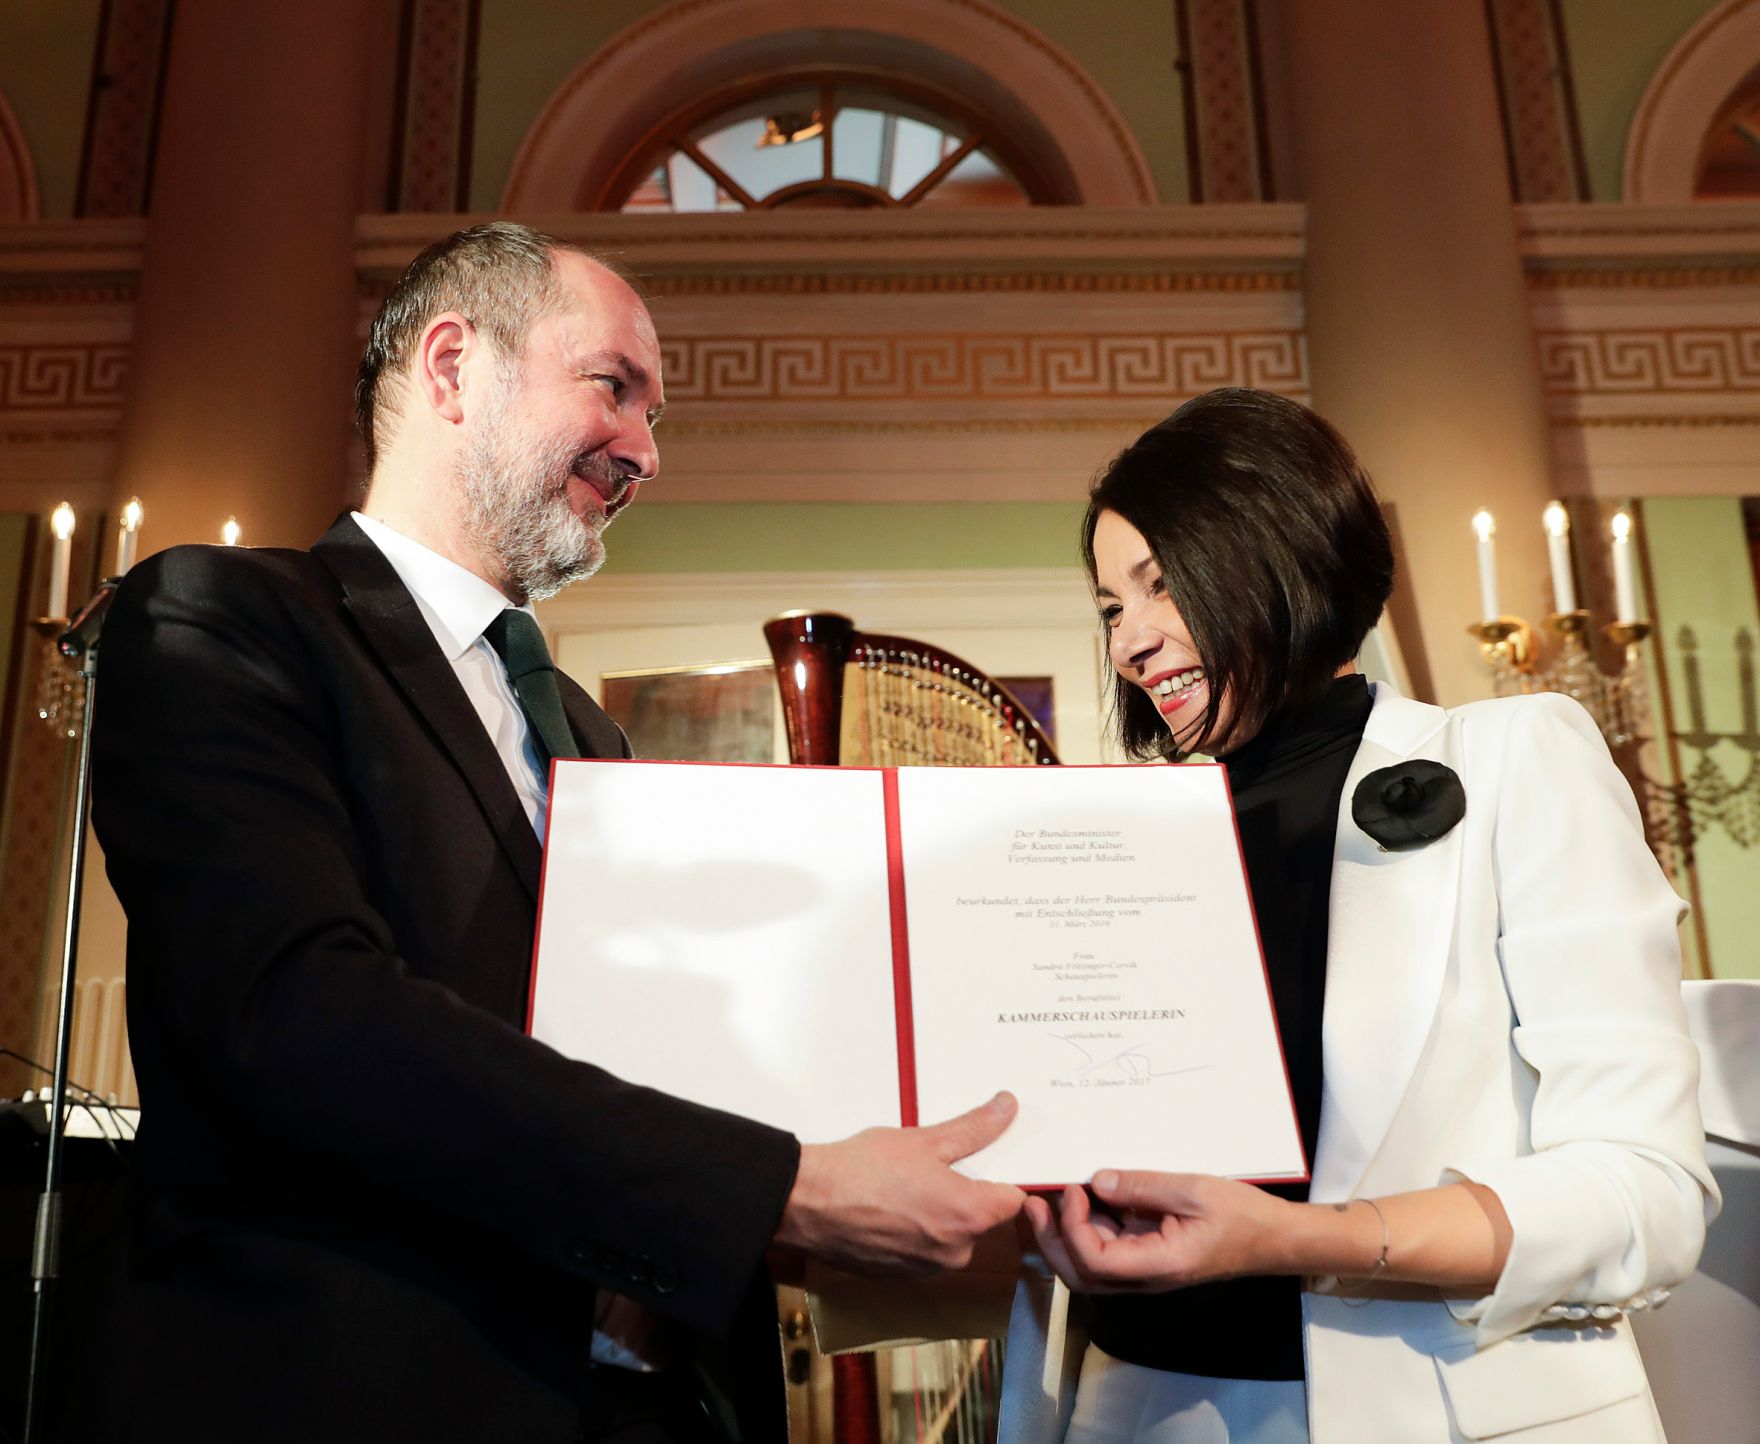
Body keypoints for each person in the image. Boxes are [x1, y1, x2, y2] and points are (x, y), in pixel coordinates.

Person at [77, 222, 1023, 1444]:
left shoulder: (581, 727)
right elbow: (296, 1015)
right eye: (612, 387)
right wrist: (783, 1190)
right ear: (453, 367)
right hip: (346, 1390)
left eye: (654, 412)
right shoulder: (223, 619)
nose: (645, 450)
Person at [1022, 388, 1718, 1443]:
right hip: (1135, 1406)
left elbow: (1646, 1192)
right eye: (1112, 606)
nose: (1130, 642)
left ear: (1277, 554)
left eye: (1161, 585)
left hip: (1441, 1408)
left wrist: (1306, 1236)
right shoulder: (1121, 839)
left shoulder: (1512, 759)